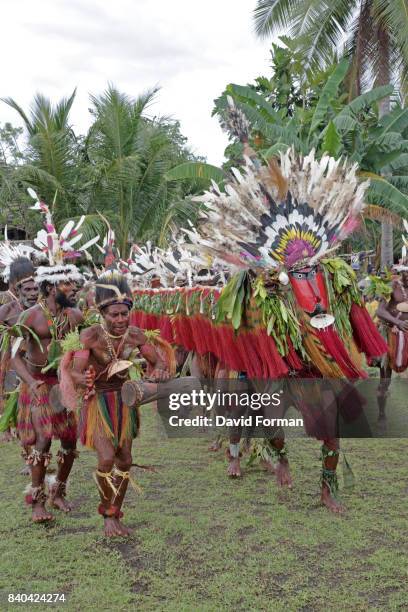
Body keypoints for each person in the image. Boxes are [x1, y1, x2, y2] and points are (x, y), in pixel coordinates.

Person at [70, 272, 170, 537]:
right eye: (114, 315)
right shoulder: (90, 336)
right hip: (97, 402)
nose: (120, 320)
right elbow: (75, 372)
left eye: (124, 314)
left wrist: (159, 370)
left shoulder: (136, 335)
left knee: (124, 460)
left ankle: (116, 509)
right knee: (106, 459)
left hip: (125, 401)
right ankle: (108, 515)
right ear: (102, 313)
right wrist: (85, 378)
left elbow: (158, 361)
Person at [0, 257, 39, 441]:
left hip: (34, 361)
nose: (29, 283)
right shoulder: (7, 309)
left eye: (31, 277)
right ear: (15, 283)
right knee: (10, 392)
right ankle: (8, 426)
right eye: (23, 278)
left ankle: (29, 439)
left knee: (32, 401)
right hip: (10, 360)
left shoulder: (40, 306)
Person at [376, 267, 408, 417]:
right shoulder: (391, 285)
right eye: (406, 272)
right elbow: (380, 311)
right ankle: (382, 414)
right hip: (392, 336)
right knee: (385, 380)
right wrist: (397, 322)